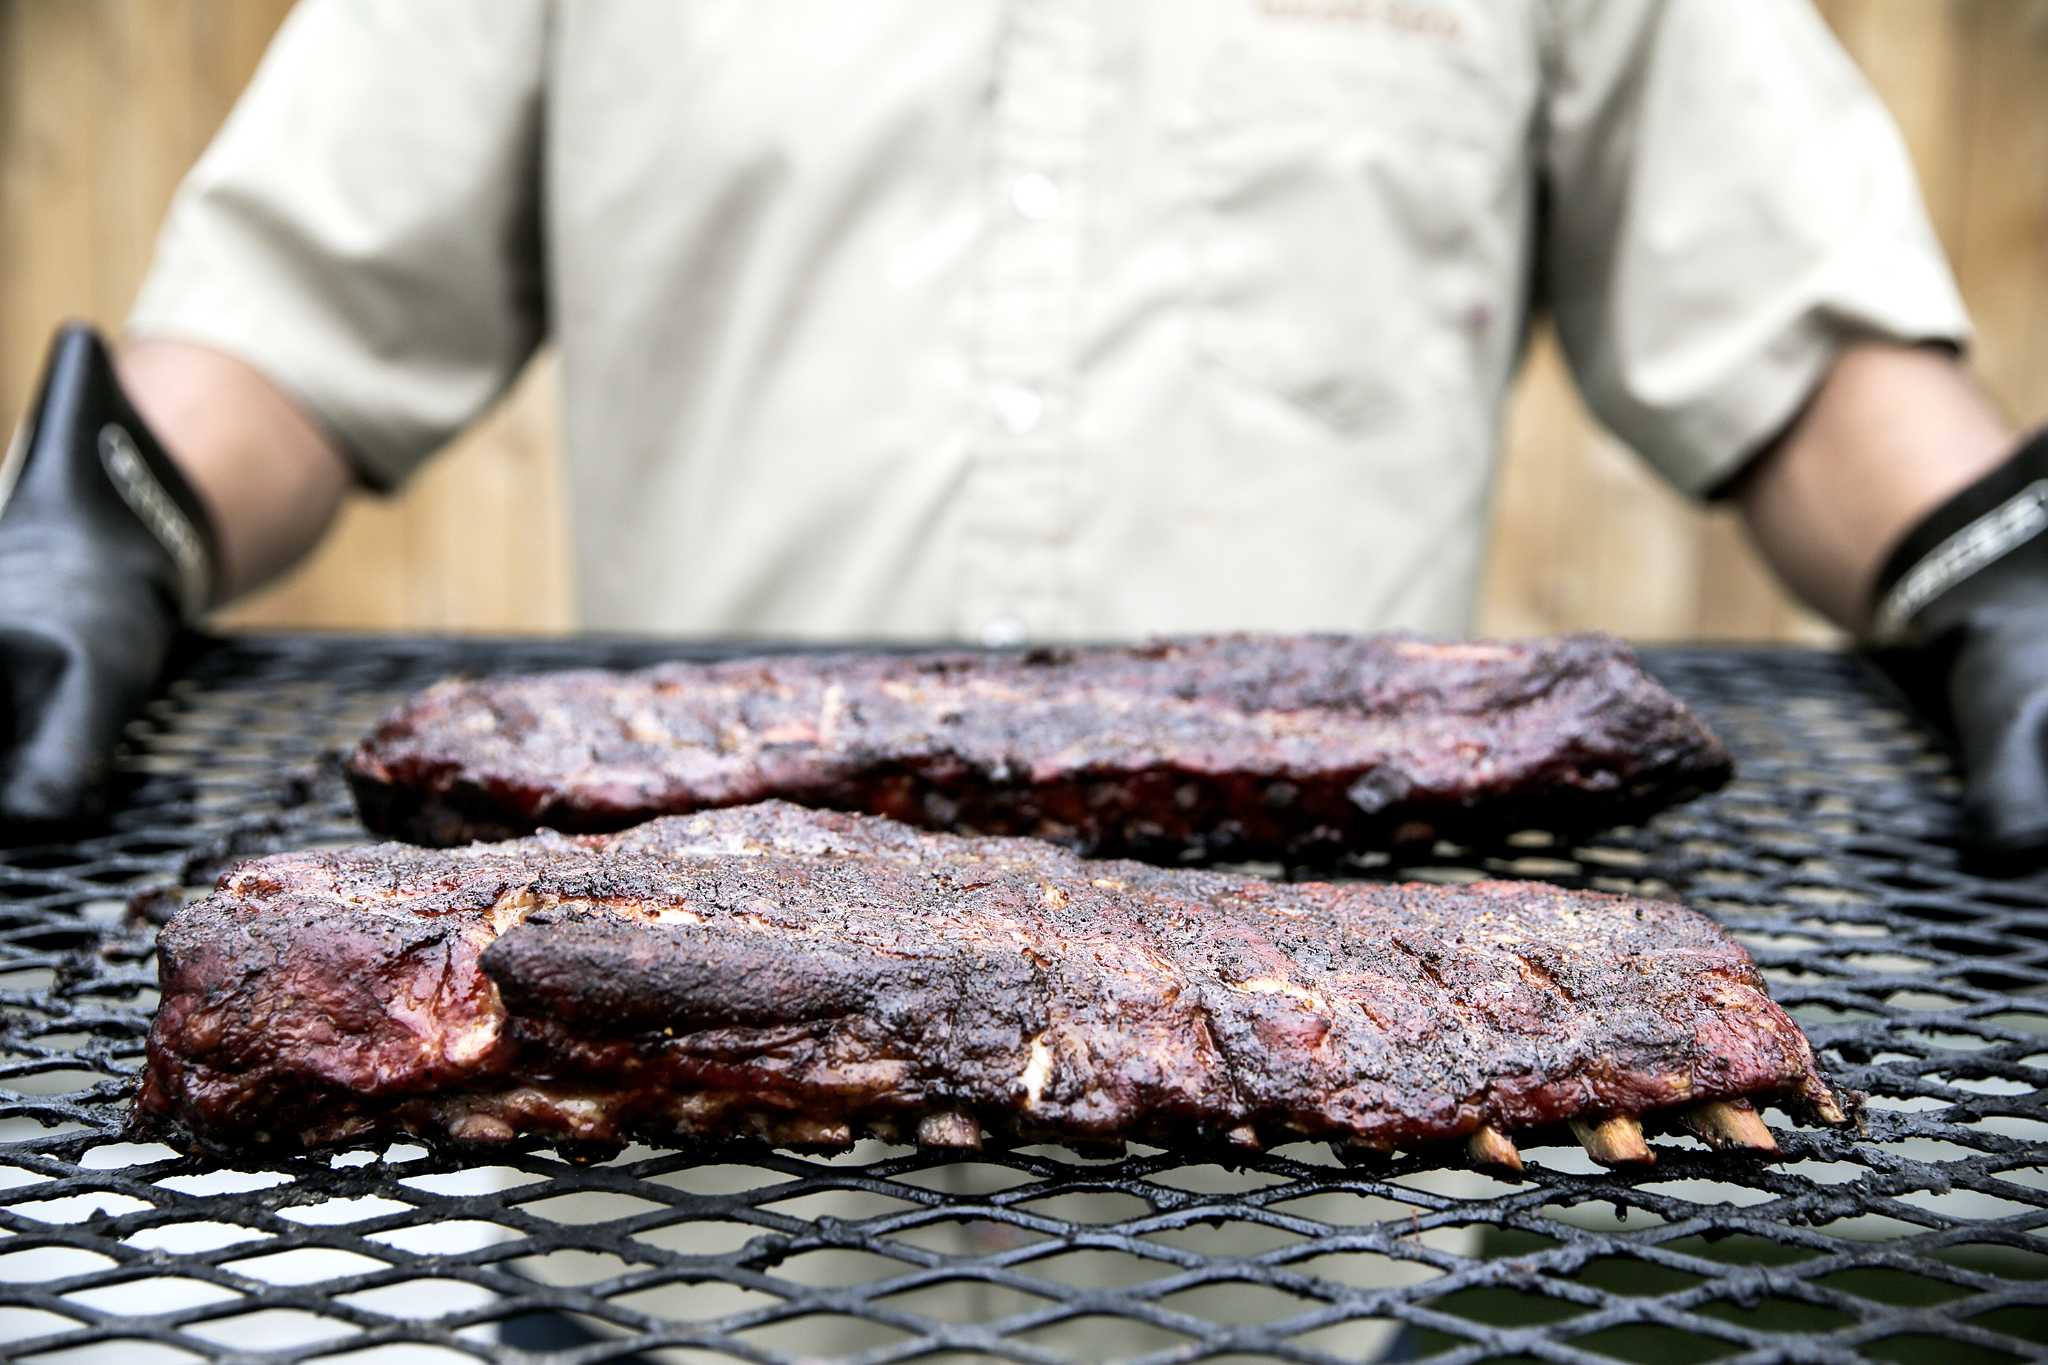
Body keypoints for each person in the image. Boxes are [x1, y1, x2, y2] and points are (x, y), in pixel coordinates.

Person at [0, 0, 2042, 1355]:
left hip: (1293, 1254)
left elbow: (1810, 350)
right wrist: (96, 517)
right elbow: (289, 321)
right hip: (670, 1245)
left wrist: (2003, 569)